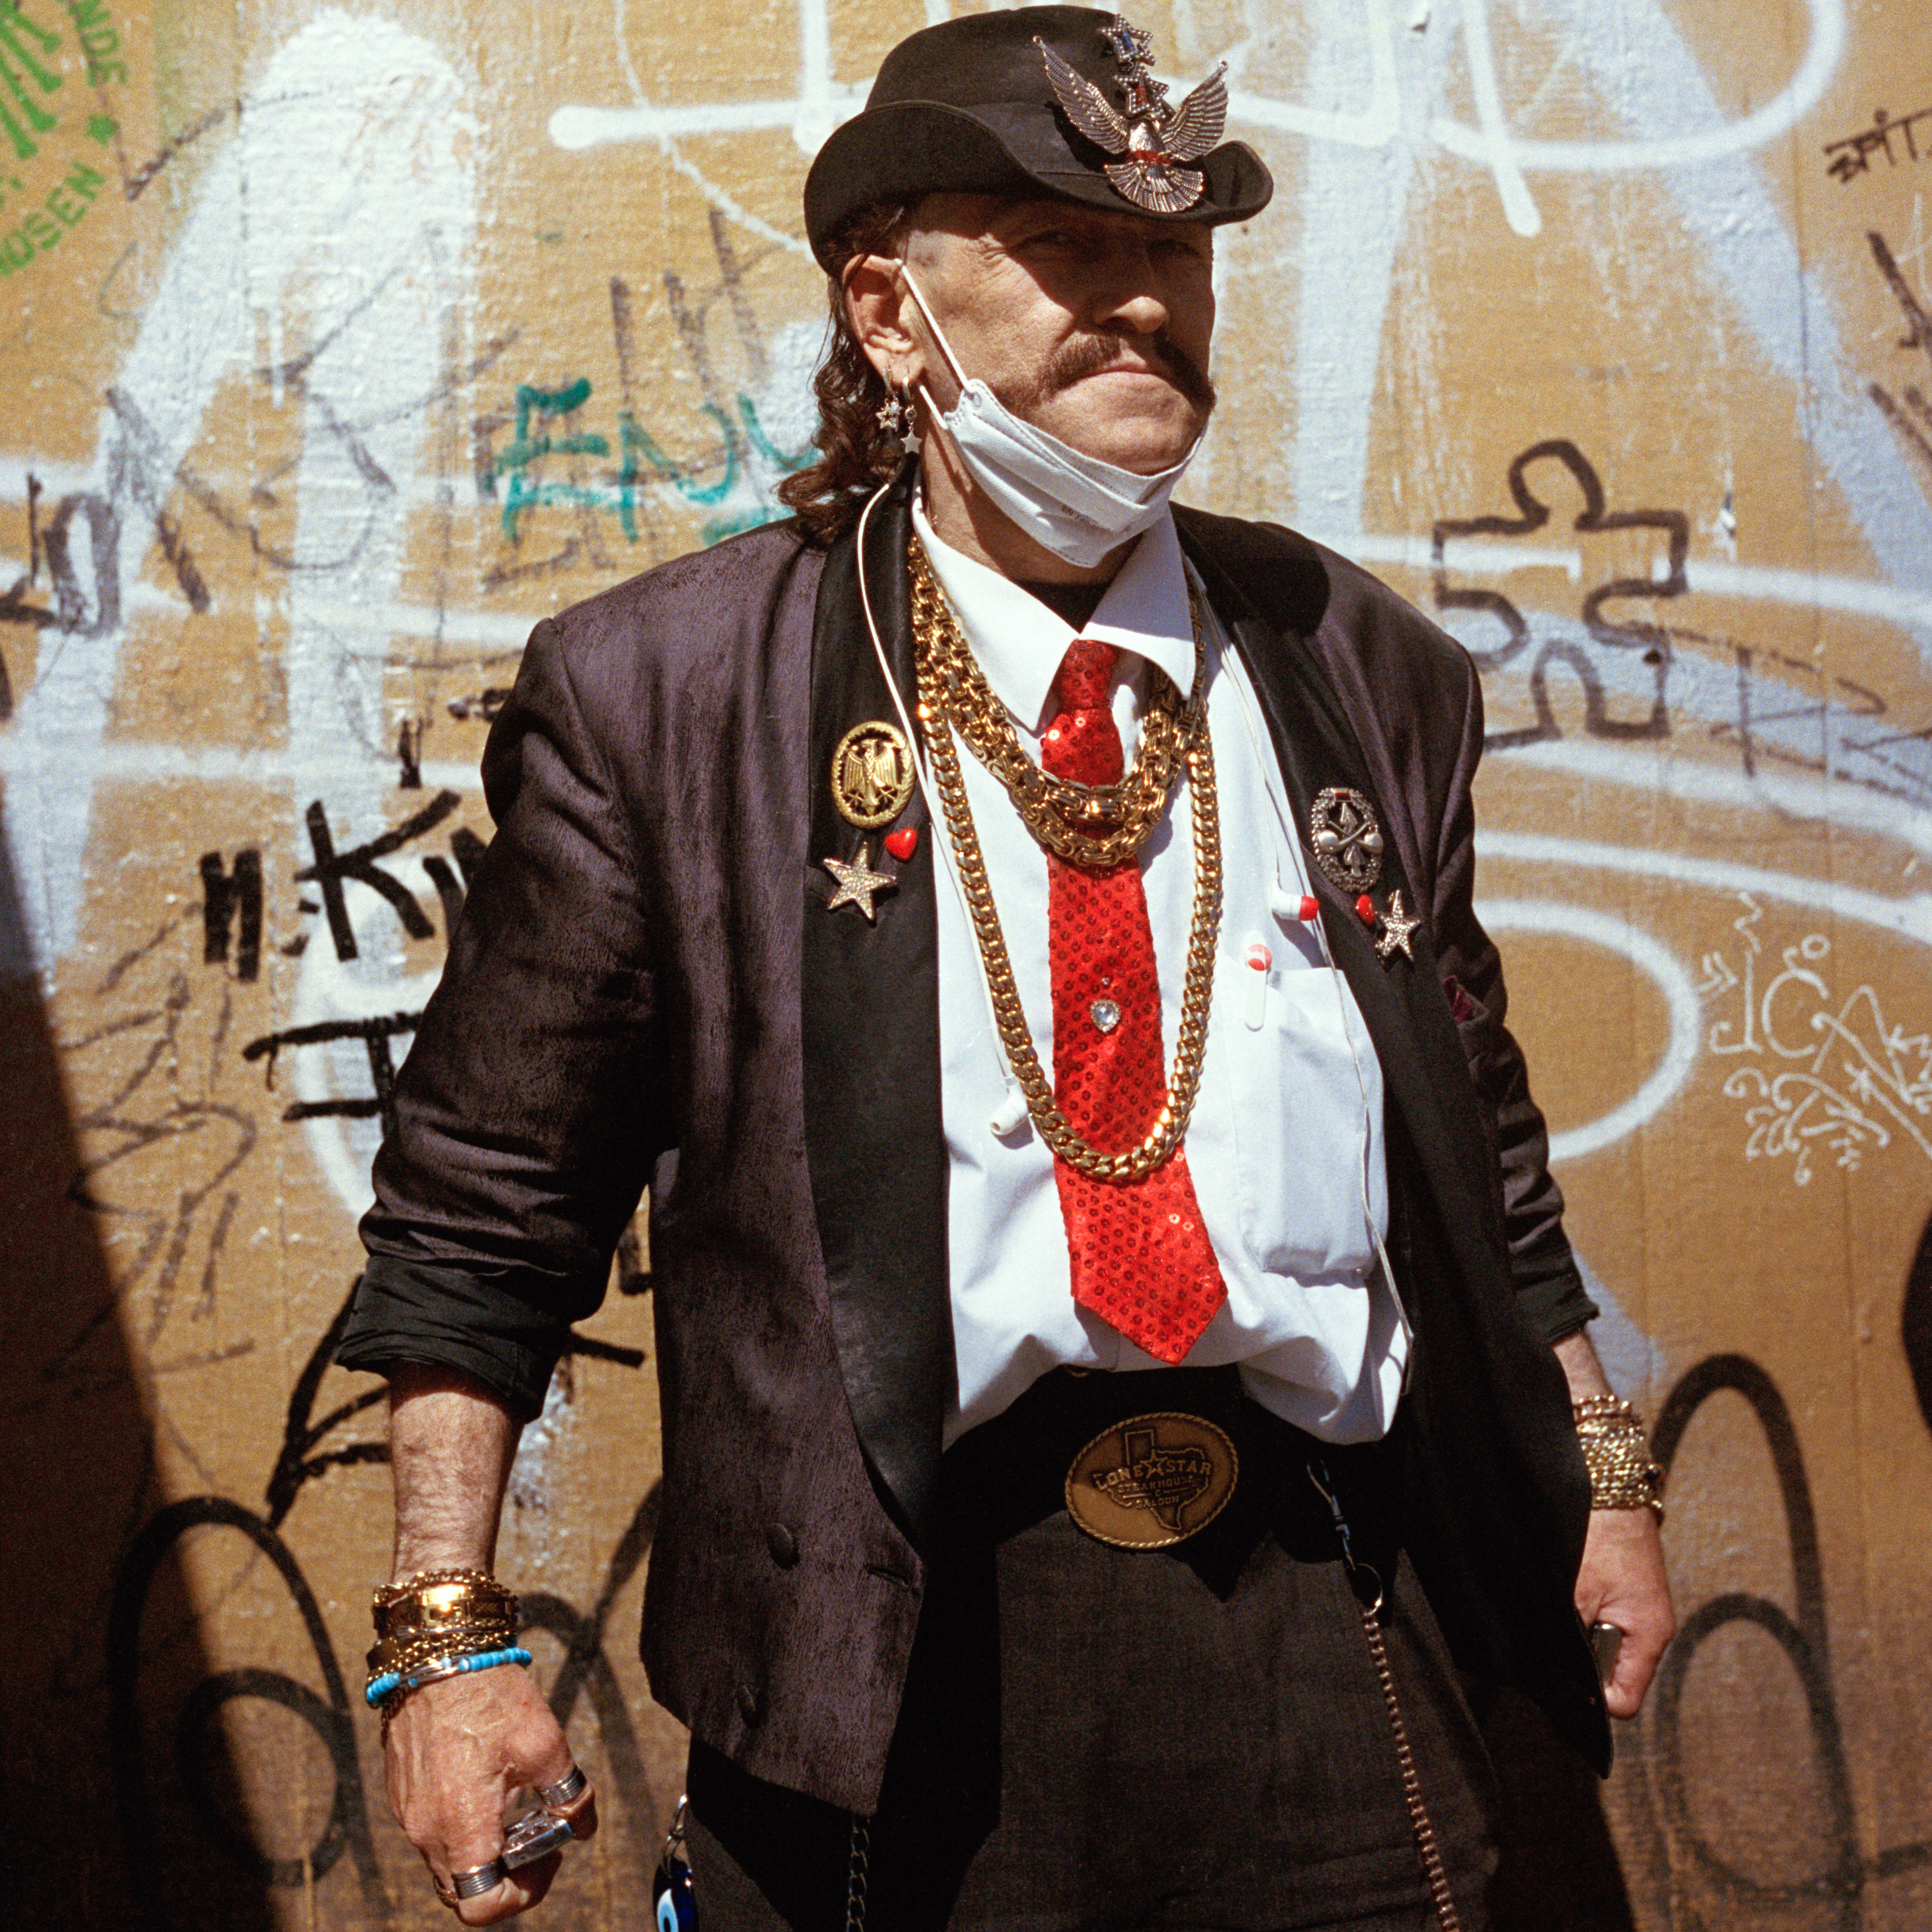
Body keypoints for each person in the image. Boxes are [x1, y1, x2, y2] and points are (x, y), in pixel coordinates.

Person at [336, 8, 1675, 1927]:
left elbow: (1473, 1129)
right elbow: (484, 1214)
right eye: (1069, 250)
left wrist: (1595, 1464)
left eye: (1177, 253)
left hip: (1335, 1604)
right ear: (891, 312)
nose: (1145, 307)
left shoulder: (1351, 658)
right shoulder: (670, 691)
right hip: (888, 1650)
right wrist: (447, 1641)